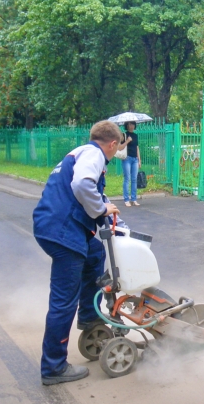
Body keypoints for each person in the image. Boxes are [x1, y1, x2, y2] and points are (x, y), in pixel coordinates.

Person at [33, 120, 128, 386]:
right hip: (62, 233)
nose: (114, 155)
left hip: (53, 225)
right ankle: (53, 367)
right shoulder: (95, 155)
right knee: (64, 301)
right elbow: (83, 186)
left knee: (95, 253)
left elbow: (93, 195)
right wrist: (102, 210)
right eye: (116, 150)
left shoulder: (80, 153)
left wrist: (117, 224)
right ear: (112, 144)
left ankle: (88, 316)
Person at [120, 121, 141, 206]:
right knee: (127, 178)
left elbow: (137, 148)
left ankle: (133, 199)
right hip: (127, 159)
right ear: (126, 126)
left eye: (132, 124)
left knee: (134, 179)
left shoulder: (135, 136)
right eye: (129, 124)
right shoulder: (124, 135)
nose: (131, 126)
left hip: (135, 159)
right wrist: (127, 141)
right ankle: (126, 199)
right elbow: (120, 147)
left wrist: (139, 160)